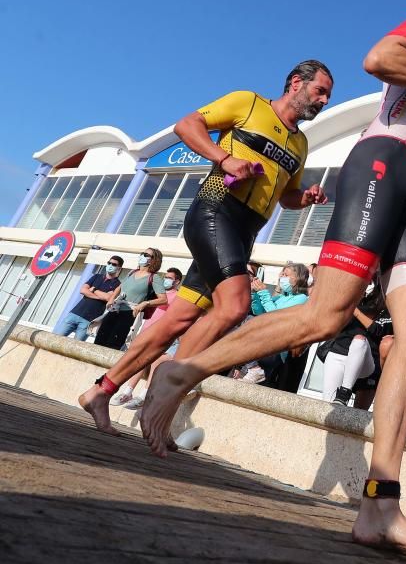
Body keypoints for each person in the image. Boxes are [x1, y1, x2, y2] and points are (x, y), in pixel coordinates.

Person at [141, 0, 406, 560]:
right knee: (324, 315)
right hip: (380, 171)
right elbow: (378, 60)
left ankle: (380, 505)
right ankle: (182, 372)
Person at [78, 60, 333, 435]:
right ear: (296, 83)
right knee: (235, 305)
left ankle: (102, 391)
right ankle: (164, 394)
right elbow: (187, 125)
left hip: (246, 232)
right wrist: (225, 158)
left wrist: (305, 197)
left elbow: (286, 197)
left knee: (179, 318)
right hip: (215, 210)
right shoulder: (249, 103)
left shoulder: (300, 142)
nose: (323, 100)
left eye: (327, 95)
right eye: (320, 91)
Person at [111, 267, 183, 408]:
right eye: (165, 277)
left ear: (177, 281)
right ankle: (127, 391)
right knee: (139, 360)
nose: (166, 280)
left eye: (169, 278)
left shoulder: (178, 297)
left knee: (155, 362)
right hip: (146, 331)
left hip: (162, 334)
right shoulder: (157, 294)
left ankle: (143, 395)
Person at [320, 277, 386, 404]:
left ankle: (345, 392)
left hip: (366, 360)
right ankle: (340, 401)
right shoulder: (357, 298)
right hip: (338, 353)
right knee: (327, 405)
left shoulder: (385, 306)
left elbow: (378, 331)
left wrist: (354, 310)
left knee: (359, 340)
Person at [94, 249, 167, 350]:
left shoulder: (155, 277)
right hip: (115, 309)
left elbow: (163, 299)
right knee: (99, 340)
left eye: (146, 254)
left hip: (130, 314)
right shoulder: (132, 272)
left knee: (113, 344)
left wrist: (145, 303)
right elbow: (119, 287)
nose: (142, 255)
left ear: (154, 260)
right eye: (142, 253)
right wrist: (111, 299)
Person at [53, 256, 124, 341]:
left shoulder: (117, 284)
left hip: (90, 320)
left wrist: (93, 289)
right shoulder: (96, 276)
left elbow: (108, 297)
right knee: (54, 339)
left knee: (76, 347)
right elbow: (83, 290)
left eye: (114, 264)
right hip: (75, 313)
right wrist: (101, 296)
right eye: (109, 263)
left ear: (119, 268)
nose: (110, 265)